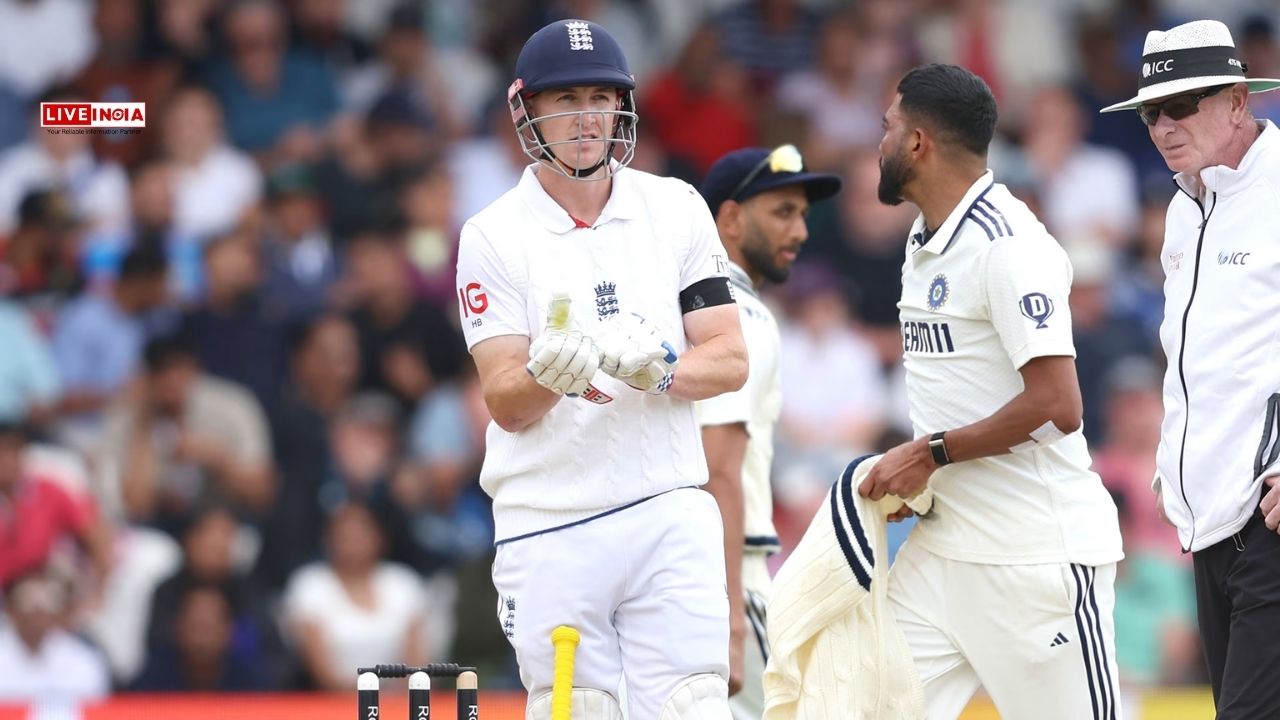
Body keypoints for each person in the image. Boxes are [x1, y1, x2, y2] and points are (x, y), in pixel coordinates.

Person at [455, 19, 748, 720]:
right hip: (551, 520)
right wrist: (550, 377)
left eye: (600, 96)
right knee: (578, 709)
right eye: (565, 99)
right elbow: (505, 400)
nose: (586, 117)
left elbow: (731, 356)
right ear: (526, 109)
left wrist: (663, 370)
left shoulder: (674, 207)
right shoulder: (492, 234)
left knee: (691, 707)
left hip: (667, 503)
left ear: (622, 106)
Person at [859, 63, 1123, 719]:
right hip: (942, 552)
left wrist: (930, 455)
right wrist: (922, 480)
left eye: (886, 127)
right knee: (857, 704)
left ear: (918, 142)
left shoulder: (1008, 246)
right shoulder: (922, 240)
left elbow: (1059, 408)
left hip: (1036, 564)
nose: (878, 143)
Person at [1097, 19, 1280, 718]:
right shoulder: (1181, 208)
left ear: (1238, 100)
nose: (1162, 126)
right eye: (1151, 112)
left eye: (1180, 105)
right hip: (1206, 523)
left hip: (1267, 514)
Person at [695, 144, 841, 719]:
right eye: (782, 211)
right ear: (730, 218)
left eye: (802, 214)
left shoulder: (690, 305)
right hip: (735, 579)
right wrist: (732, 617)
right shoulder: (744, 317)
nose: (800, 230)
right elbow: (718, 470)